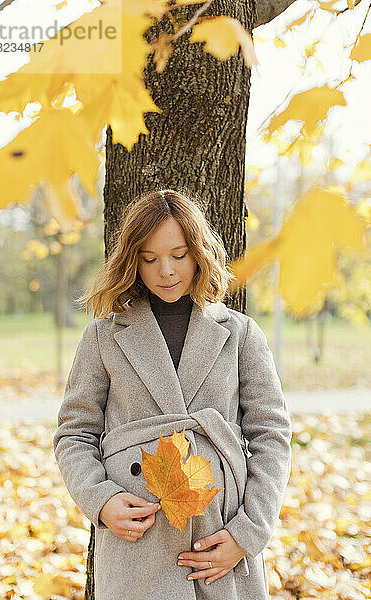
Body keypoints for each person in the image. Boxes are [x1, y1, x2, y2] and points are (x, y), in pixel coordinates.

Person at [52, 189, 292, 600]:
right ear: (133, 260)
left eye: (179, 255)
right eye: (150, 259)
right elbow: (74, 434)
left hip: (221, 538)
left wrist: (247, 533)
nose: (166, 270)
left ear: (198, 252)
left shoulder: (240, 334)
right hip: (138, 544)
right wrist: (102, 501)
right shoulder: (103, 337)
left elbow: (271, 436)